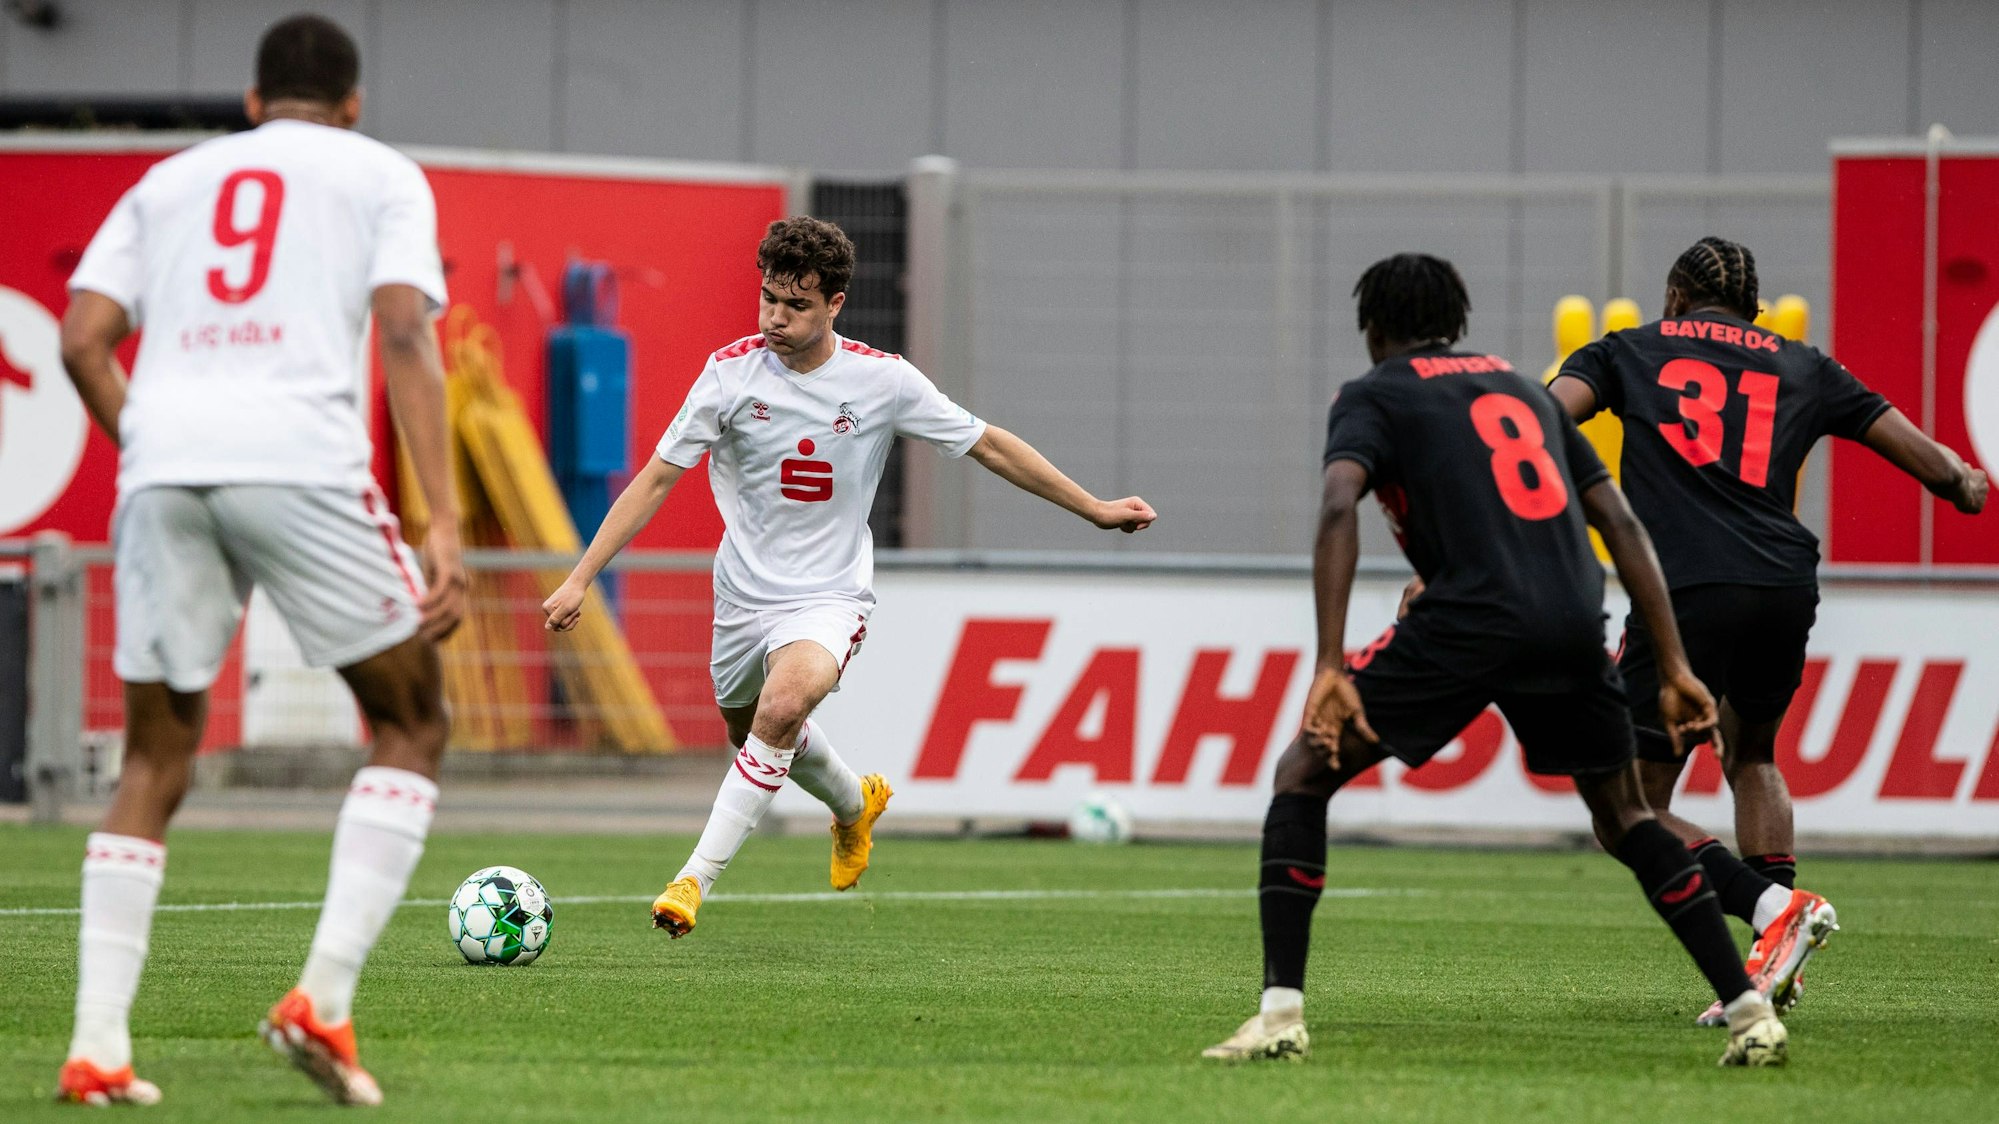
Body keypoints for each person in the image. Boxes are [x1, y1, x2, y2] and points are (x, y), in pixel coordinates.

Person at [1203, 253, 1789, 1068]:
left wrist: (1330, 660)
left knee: (1303, 772)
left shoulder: (1374, 393)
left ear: (1374, 330)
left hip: (1466, 620)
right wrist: (1678, 665)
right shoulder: (1522, 388)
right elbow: (1618, 520)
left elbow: (1339, 502)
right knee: (1626, 817)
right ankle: (1748, 1011)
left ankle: (1277, 1016)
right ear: (1456, 322)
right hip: (1569, 619)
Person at [55, 14, 464, 1107]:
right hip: (297, 457)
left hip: (163, 466)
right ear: (352, 104)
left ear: (249, 102)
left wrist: (148, 438)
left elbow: (81, 336)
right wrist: (444, 518)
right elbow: (406, 330)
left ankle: (98, 1046)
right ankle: (321, 996)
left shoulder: (168, 181)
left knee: (154, 756)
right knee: (413, 719)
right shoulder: (383, 174)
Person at [541, 216, 1155, 937]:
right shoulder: (728, 376)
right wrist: (581, 577)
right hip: (741, 593)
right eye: (768, 298)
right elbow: (655, 480)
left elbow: (986, 445)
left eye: (795, 305)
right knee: (754, 732)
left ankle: (690, 882)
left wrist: (1092, 508)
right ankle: (854, 804)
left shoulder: (882, 381)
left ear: (835, 304)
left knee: (781, 709)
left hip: (828, 595)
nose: (775, 317)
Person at [1548, 236, 1988, 1024]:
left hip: (1680, 588)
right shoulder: (1802, 364)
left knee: (1627, 811)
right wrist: (1965, 482)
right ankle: (1772, 955)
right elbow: (1933, 467)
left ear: (1675, 299)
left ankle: (1769, 910)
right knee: (1751, 751)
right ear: (1753, 311)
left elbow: (1543, 421)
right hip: (1782, 584)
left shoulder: (1626, 350)